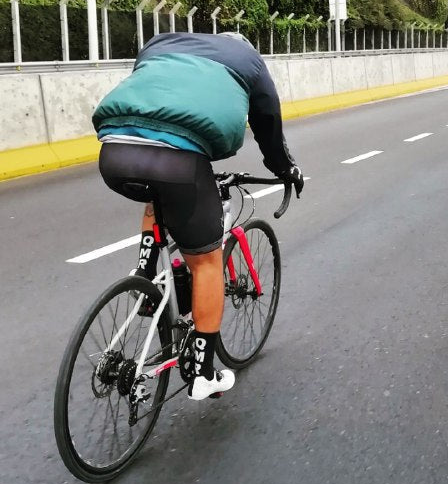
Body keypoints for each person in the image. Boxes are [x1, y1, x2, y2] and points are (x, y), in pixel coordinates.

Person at [92, 31, 304, 400]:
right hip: (180, 162)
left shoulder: (161, 43)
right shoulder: (249, 61)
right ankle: (204, 374)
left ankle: (144, 274)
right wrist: (286, 169)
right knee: (206, 262)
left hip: (113, 152)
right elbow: (267, 125)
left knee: (156, 193)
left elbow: (153, 95)